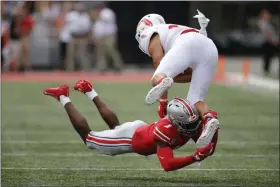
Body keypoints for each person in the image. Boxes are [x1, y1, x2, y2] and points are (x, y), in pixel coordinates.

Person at [43, 80, 218, 172]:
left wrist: (211, 136)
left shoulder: (188, 120)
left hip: (139, 129)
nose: (193, 126)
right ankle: (63, 96)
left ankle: (89, 90)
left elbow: (206, 142)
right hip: (129, 139)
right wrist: (194, 157)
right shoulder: (166, 133)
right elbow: (168, 165)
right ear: (177, 121)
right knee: (89, 139)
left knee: (116, 128)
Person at [135, 10, 219, 148]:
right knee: (195, 101)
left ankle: (163, 82)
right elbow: (190, 75)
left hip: (187, 43)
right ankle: (209, 119)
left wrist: (163, 101)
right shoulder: (174, 30)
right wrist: (170, 78)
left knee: (156, 78)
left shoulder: (150, 32)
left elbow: (158, 61)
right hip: (210, 47)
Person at [92, 3, 123, 73]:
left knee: (111, 50)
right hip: (101, 36)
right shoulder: (99, 14)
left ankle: (118, 66)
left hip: (109, 35)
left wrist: (96, 15)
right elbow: (98, 26)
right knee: (101, 52)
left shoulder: (108, 12)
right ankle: (102, 67)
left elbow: (105, 19)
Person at [258, 9, 279, 76]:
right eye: (266, 15)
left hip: (272, 42)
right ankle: (266, 71)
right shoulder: (262, 23)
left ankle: (267, 70)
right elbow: (267, 34)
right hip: (268, 43)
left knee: (269, 57)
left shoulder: (269, 23)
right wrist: (273, 40)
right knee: (267, 57)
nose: (268, 16)